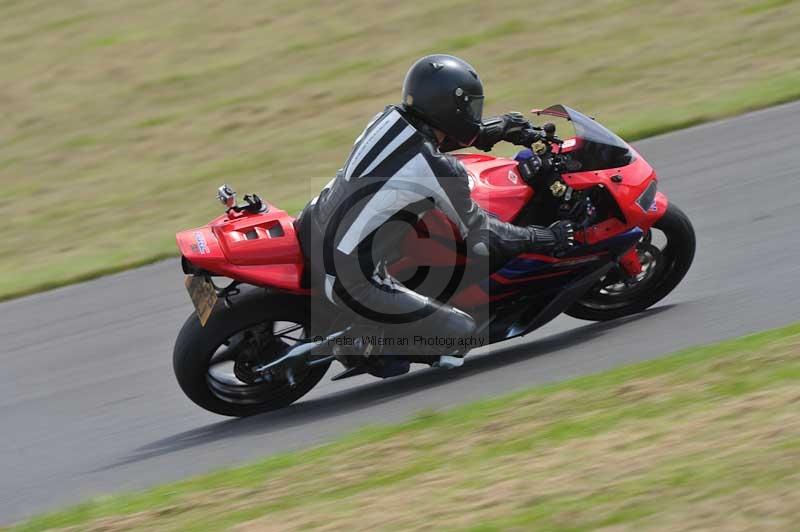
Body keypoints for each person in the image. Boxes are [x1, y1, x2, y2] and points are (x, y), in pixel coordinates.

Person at [296, 54, 574, 372]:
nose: (473, 113)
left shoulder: (390, 118)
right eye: (469, 108)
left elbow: (432, 142)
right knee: (463, 333)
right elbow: (484, 235)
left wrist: (501, 129)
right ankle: (366, 346)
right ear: (449, 109)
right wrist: (546, 237)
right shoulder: (437, 169)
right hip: (349, 277)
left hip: (313, 224)